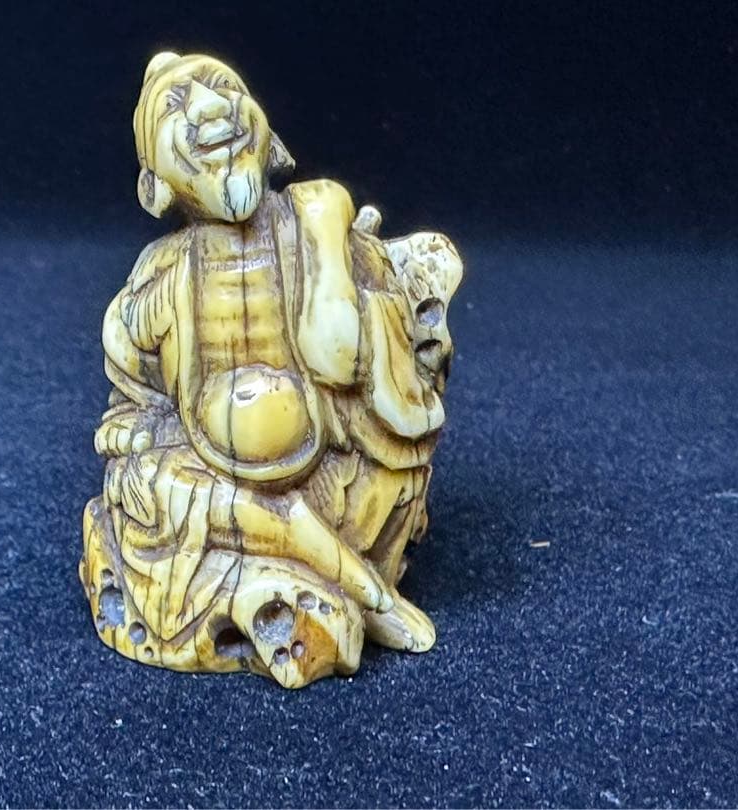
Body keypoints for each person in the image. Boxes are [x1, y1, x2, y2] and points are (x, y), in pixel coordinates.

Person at [80, 52, 462, 688]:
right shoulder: (164, 267)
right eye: (176, 107)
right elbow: (131, 369)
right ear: (155, 189)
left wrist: (328, 235)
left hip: (326, 440)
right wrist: (136, 419)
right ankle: (366, 594)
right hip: (212, 463)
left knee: (381, 463)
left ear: (270, 137)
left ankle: (356, 579)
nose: (211, 109)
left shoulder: (307, 223)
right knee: (153, 487)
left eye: (224, 88)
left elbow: (341, 355)